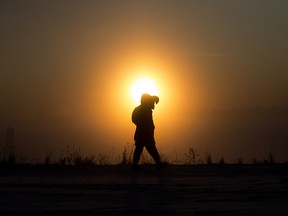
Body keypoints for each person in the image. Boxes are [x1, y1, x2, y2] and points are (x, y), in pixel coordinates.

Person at [131, 93, 167, 170]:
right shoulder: (144, 110)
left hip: (142, 133)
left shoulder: (142, 109)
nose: (153, 105)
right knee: (149, 149)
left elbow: (134, 120)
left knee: (142, 149)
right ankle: (158, 164)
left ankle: (135, 166)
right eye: (152, 102)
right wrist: (144, 125)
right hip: (144, 134)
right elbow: (135, 120)